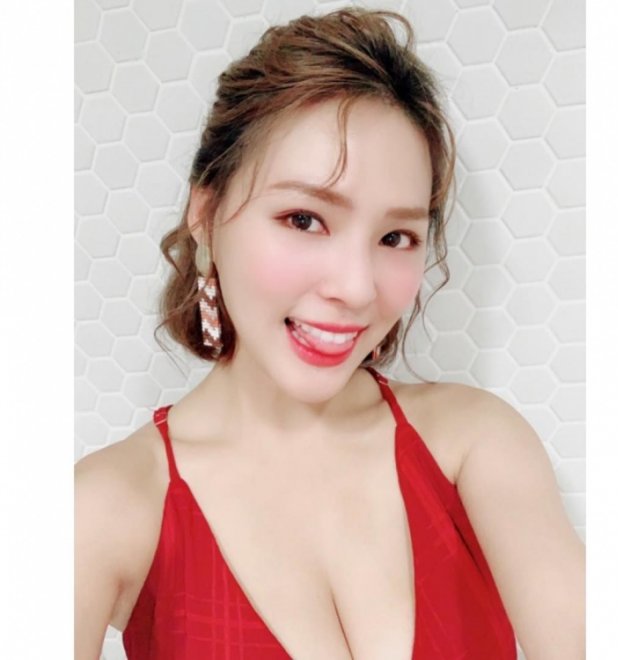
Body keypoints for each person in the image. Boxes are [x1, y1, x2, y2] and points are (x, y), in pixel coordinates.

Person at [75, 8, 584, 660]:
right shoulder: (108, 510)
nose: (357, 287)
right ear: (206, 215)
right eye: (304, 219)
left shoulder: (476, 446)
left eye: (395, 237)